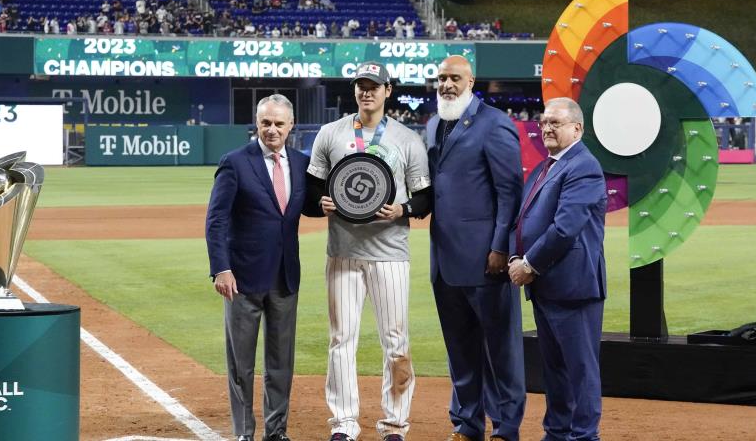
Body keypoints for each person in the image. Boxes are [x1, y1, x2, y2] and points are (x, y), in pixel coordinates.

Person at [307, 62, 431, 441]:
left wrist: (403, 209)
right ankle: (343, 424)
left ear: (387, 91)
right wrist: (322, 204)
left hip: (390, 252)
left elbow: (424, 197)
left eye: (374, 86)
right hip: (342, 251)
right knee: (341, 340)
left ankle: (395, 424)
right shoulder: (331, 134)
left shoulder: (408, 139)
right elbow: (311, 194)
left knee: (396, 341)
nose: (367, 92)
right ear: (355, 91)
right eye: (361, 86)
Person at [205, 95, 318, 441]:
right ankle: (244, 432)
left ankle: (276, 431)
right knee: (241, 364)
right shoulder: (235, 162)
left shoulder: (302, 163)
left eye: (279, 123)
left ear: (291, 126)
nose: (272, 129)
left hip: (285, 276)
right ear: (256, 124)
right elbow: (216, 220)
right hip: (242, 278)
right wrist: (221, 268)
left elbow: (310, 206)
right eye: (266, 123)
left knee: (281, 362)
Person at [426, 56, 525, 441]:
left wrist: (501, 247)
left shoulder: (494, 124)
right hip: (445, 257)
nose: (447, 85)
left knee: (501, 349)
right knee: (460, 347)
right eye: (441, 79)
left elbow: (509, 192)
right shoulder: (435, 124)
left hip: (486, 258)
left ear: (471, 81)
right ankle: (467, 423)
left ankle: (506, 427)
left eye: (454, 78)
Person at [509, 97, 607, 441]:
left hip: (574, 286)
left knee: (580, 370)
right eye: (545, 122)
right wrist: (513, 258)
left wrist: (529, 264)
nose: (547, 128)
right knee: (554, 370)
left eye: (556, 123)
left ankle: (583, 436)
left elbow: (566, 228)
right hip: (546, 287)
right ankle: (556, 432)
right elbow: (520, 221)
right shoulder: (544, 166)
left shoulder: (584, 166)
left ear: (576, 129)